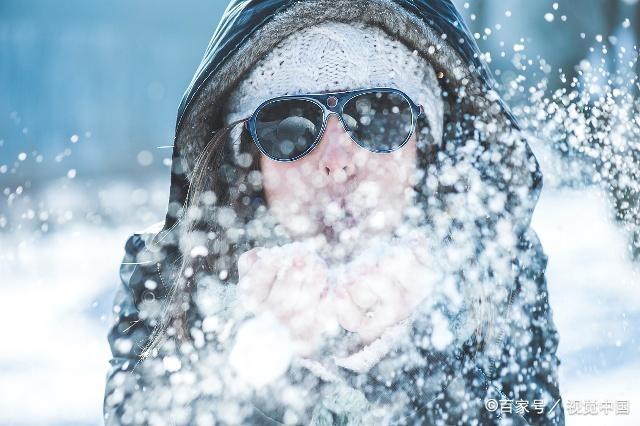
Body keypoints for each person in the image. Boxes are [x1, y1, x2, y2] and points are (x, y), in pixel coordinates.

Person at [104, 1, 565, 425]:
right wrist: (272, 370)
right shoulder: (172, 277)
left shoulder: (497, 267)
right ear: (248, 160)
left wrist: (402, 365)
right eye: (289, 125)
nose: (337, 160)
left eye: (379, 115)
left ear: (424, 144)